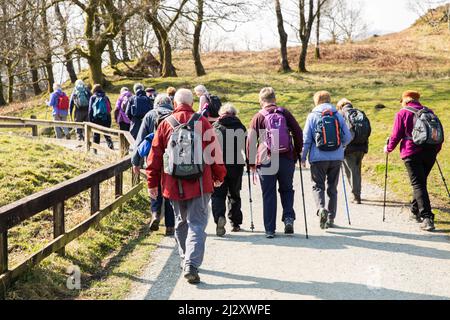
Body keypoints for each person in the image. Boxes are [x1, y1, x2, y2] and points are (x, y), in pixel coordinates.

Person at [146, 88, 226, 284]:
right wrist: (219, 174)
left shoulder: (165, 124)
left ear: (175, 104)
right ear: (191, 103)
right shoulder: (203, 122)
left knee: (181, 222)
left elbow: (155, 155)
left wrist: (152, 182)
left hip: (173, 184)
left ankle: (184, 259)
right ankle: (191, 264)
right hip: (200, 182)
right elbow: (214, 152)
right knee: (197, 224)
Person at [247, 87, 303, 239]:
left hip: (266, 159)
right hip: (286, 157)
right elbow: (298, 132)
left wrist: (251, 163)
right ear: (274, 99)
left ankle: (270, 230)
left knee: (269, 194)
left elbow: (251, 141)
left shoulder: (258, 117)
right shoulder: (284, 113)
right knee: (287, 189)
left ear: (261, 101)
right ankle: (289, 218)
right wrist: (297, 152)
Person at [384, 90, 444, 232]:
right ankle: (414, 210)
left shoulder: (403, 113)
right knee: (420, 183)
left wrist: (388, 148)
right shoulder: (429, 112)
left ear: (405, 100)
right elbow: (438, 133)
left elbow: (396, 135)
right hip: (430, 152)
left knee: (418, 184)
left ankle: (427, 218)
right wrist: (435, 150)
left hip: (412, 152)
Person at [302, 91, 352, 230]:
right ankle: (330, 218)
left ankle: (321, 209)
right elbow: (348, 136)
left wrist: (302, 157)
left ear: (316, 102)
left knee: (318, 185)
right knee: (332, 188)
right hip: (336, 158)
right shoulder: (337, 115)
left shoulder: (312, 116)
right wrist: (340, 147)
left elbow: (306, 140)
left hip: (318, 158)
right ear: (329, 100)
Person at [132, 94, 175, 236]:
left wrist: (135, 161)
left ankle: (156, 213)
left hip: (152, 158)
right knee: (169, 190)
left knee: (154, 185)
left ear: (156, 103)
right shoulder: (174, 115)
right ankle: (170, 226)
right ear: (170, 103)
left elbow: (140, 139)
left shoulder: (150, 115)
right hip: (170, 159)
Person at [212, 103, 247, 236]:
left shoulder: (215, 127)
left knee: (217, 195)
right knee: (234, 194)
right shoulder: (240, 126)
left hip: (218, 166)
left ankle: (219, 218)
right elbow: (247, 146)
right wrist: (250, 161)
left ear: (221, 114)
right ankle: (236, 223)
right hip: (236, 166)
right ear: (234, 114)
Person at [337, 98, 371, 204]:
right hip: (362, 146)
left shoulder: (341, 114)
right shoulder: (360, 113)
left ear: (340, 106)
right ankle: (357, 193)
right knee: (357, 170)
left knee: (351, 171)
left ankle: (356, 196)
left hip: (348, 148)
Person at [88, 84, 114, 150]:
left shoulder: (93, 97)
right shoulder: (105, 97)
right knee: (107, 134)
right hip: (105, 118)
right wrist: (109, 120)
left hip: (96, 119)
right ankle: (111, 148)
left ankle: (95, 151)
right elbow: (110, 108)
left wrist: (90, 120)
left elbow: (90, 110)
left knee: (96, 134)